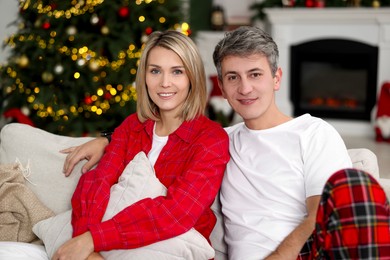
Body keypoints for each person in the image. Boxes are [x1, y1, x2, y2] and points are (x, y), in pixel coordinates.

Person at [61, 27, 390, 259]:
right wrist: (107, 138)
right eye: (233, 77)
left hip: (305, 253)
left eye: (255, 74)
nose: (245, 88)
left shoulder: (313, 132)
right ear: (221, 84)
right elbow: (133, 150)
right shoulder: (223, 138)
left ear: (276, 78)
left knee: (358, 187)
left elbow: (319, 216)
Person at [53, 30, 230, 260]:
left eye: (177, 71)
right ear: (144, 77)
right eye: (155, 71)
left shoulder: (211, 139)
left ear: (192, 78)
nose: (165, 83)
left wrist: (92, 239)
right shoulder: (132, 127)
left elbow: (176, 213)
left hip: (174, 250)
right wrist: (85, 246)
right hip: (108, 249)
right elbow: (97, 182)